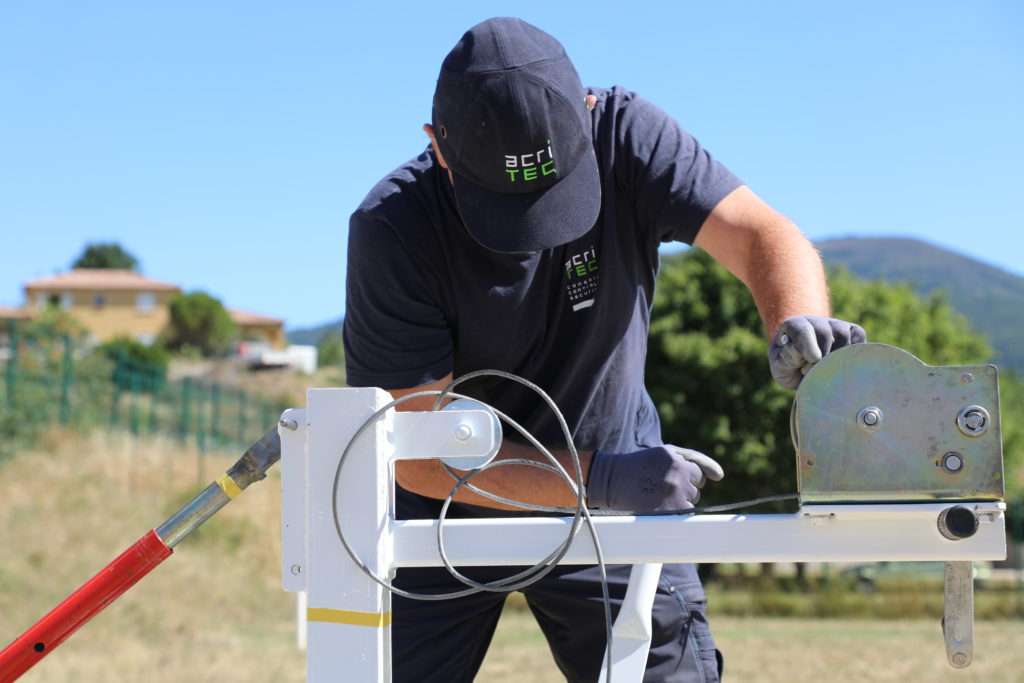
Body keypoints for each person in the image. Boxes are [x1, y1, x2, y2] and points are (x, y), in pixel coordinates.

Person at [343, 16, 866, 683]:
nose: (533, 231)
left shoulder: (629, 134)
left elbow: (761, 232)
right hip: (451, 509)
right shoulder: (393, 228)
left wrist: (797, 319)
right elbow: (418, 455)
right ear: (437, 148)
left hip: (618, 487)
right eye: (506, 206)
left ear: (586, 112)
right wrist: (597, 479)